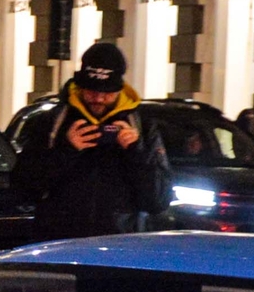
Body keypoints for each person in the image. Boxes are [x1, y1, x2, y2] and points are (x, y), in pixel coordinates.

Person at [10, 41, 167, 239]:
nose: (99, 99)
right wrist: (66, 150)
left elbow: (158, 200)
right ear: (80, 86)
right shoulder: (52, 123)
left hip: (119, 245)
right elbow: (22, 189)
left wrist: (135, 152)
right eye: (92, 91)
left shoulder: (142, 125)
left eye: (107, 92)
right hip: (59, 243)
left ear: (119, 90)